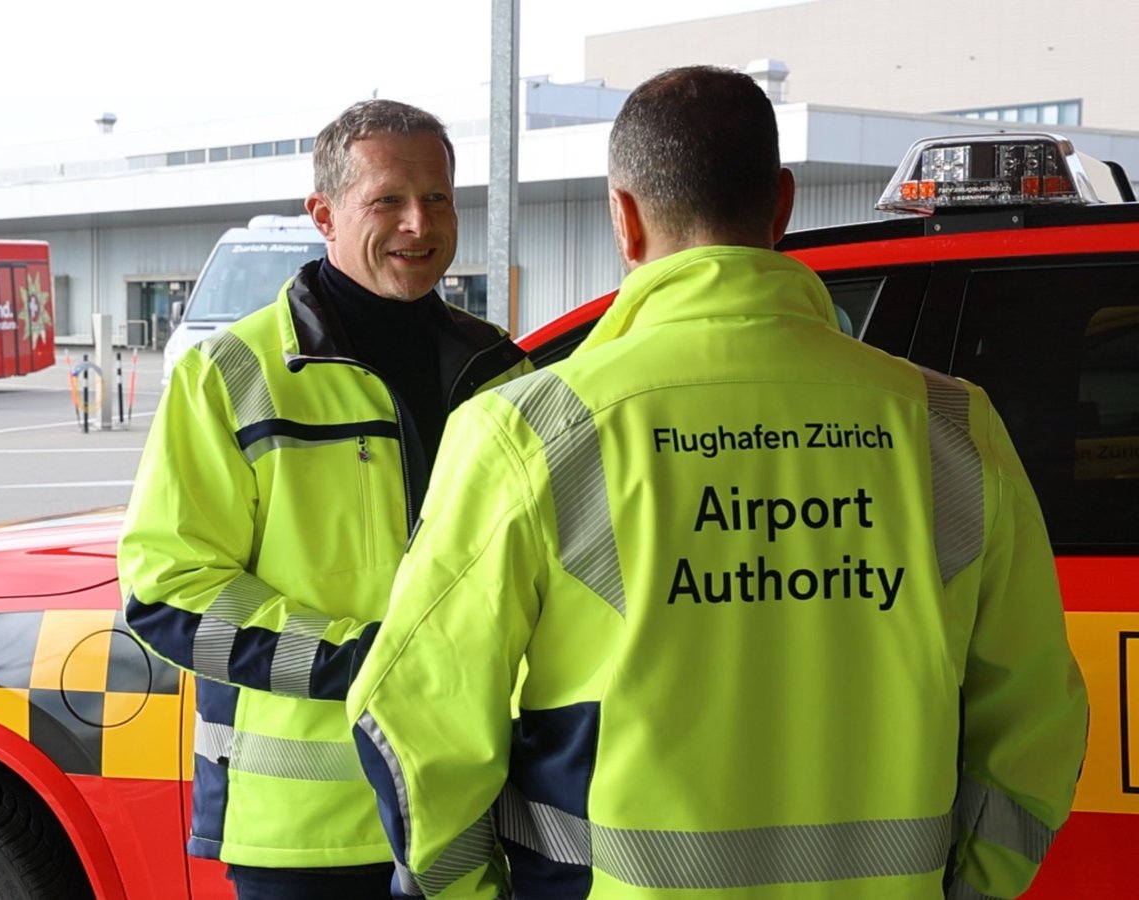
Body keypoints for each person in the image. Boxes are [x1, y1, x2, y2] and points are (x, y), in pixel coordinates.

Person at [346, 66, 1089, 899]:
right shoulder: (952, 426)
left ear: (623, 219)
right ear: (781, 205)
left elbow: (415, 721)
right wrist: (978, 886)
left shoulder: (529, 431)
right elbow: (1036, 723)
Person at [117, 99, 530, 900]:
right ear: (324, 214)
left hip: (477, 816)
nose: (420, 223)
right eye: (388, 200)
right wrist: (373, 663)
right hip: (304, 838)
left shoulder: (502, 375)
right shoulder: (233, 375)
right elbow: (164, 593)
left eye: (438, 198)